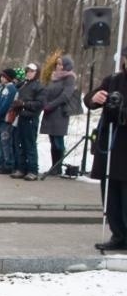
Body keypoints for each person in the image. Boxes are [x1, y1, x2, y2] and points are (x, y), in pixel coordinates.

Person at [84, 46, 127, 251]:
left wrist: (122, 111)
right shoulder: (113, 80)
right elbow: (90, 100)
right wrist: (95, 98)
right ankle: (118, 234)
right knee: (111, 193)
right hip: (111, 146)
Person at [40, 53, 76, 176]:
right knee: (52, 140)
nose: (58, 66)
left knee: (58, 140)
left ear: (66, 66)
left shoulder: (69, 78)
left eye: (61, 64)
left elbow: (66, 95)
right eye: (57, 64)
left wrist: (51, 105)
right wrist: (45, 103)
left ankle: (58, 166)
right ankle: (54, 166)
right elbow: (46, 91)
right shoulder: (53, 77)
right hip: (49, 112)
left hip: (59, 113)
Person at [11, 63, 43, 181]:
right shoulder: (23, 85)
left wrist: (24, 104)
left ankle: (32, 170)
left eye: (31, 71)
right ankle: (21, 168)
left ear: (36, 73)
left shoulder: (39, 87)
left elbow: (40, 104)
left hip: (30, 118)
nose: (29, 73)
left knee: (30, 145)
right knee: (20, 144)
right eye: (27, 71)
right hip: (20, 117)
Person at [0, 68, 19, 174]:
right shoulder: (0, 89)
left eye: (4, 77)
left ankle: (8, 163)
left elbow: (6, 105)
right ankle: (1, 161)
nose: (2, 79)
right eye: (1, 76)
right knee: (0, 142)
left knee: (6, 142)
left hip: (5, 120)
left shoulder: (11, 89)